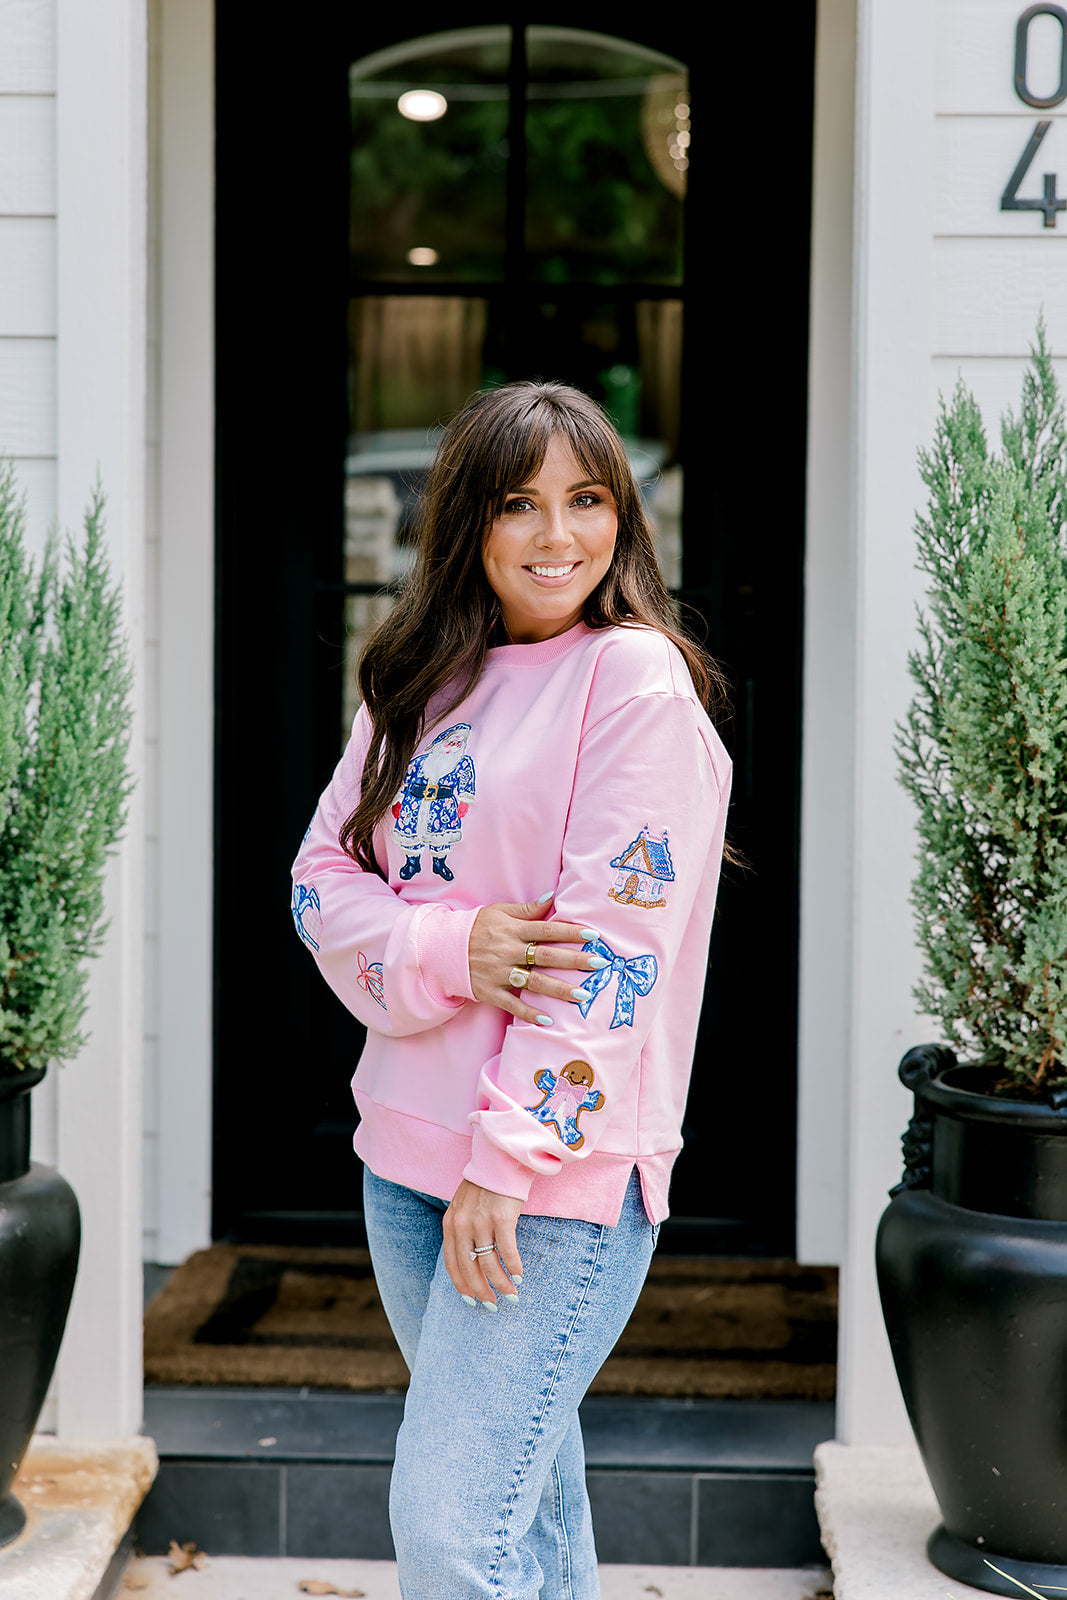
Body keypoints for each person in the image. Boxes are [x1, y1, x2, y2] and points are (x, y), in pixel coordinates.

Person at [291, 380, 732, 1599]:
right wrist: (453, 945)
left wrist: (506, 1159)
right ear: (468, 526)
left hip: (536, 1185)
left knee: (451, 1533)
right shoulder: (421, 680)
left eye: (586, 501)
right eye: (518, 504)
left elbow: (611, 947)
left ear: (621, 516)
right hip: (403, 1165)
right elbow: (319, 876)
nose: (557, 537)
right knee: (525, 1520)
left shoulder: (632, 679)